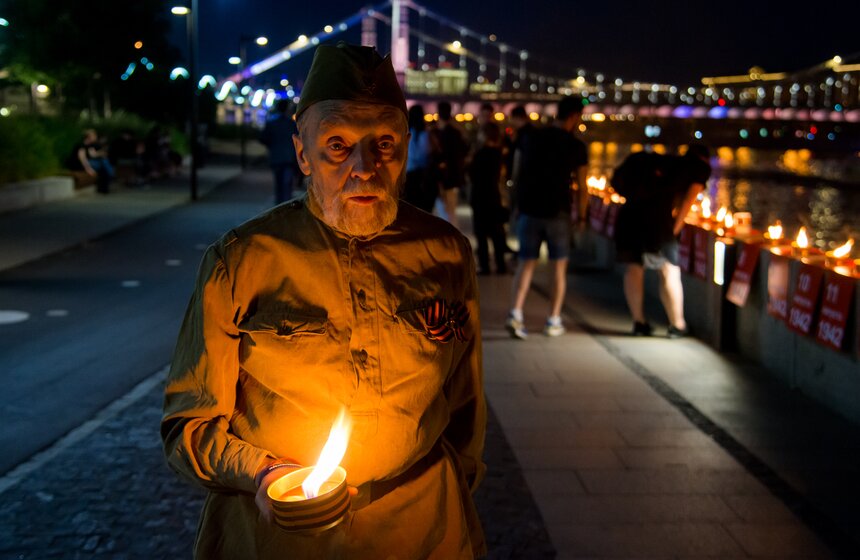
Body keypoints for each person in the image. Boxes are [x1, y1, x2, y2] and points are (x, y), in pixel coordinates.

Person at [161, 42, 486, 560]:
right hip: (281, 539)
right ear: (301, 154)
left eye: (384, 143)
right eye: (338, 144)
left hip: (421, 533)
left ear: (406, 145)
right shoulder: (241, 261)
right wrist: (266, 475)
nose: (364, 168)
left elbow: (466, 407)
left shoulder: (445, 253)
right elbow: (189, 426)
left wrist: (451, 498)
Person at [505, 96, 588, 339]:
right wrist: (581, 217)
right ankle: (553, 321)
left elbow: (516, 174)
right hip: (559, 213)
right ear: (573, 116)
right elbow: (583, 187)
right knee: (558, 270)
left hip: (529, 210)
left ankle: (515, 314)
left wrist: (516, 205)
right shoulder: (576, 146)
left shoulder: (531, 137)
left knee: (525, 264)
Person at [611, 144, 711, 338]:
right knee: (668, 271)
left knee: (633, 269)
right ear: (704, 159)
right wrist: (673, 230)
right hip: (656, 225)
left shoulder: (653, 162)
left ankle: (639, 323)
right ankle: (677, 324)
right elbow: (687, 203)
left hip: (628, 218)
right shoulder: (698, 169)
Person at [468, 123, 508, 275]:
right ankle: (500, 264)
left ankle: (485, 265)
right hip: (494, 197)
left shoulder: (479, 154)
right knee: (497, 233)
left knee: (481, 233)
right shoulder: (498, 155)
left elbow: (472, 175)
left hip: (480, 197)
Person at [432, 100, 468, 227]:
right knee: (450, 211)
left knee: (444, 212)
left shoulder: (437, 133)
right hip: (453, 178)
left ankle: (449, 241)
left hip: (442, 179)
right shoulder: (456, 133)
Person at [259, 98, 301, 204]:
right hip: (289, 158)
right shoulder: (292, 124)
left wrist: (272, 145)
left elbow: (263, 138)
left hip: (276, 157)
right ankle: (286, 206)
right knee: (287, 184)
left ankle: (279, 205)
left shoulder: (271, 123)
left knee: (278, 184)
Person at [402, 103, 438, 212]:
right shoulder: (426, 134)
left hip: (409, 173)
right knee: (424, 208)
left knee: (410, 206)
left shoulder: (405, 133)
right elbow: (430, 152)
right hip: (424, 175)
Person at [67, 128, 114, 194]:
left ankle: (104, 186)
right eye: (94, 136)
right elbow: (82, 159)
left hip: (89, 163)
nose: (96, 137)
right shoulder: (81, 145)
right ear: (89, 137)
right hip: (79, 165)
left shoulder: (89, 145)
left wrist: (101, 153)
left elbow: (93, 154)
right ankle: (111, 175)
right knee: (103, 164)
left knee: (103, 164)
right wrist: (89, 169)